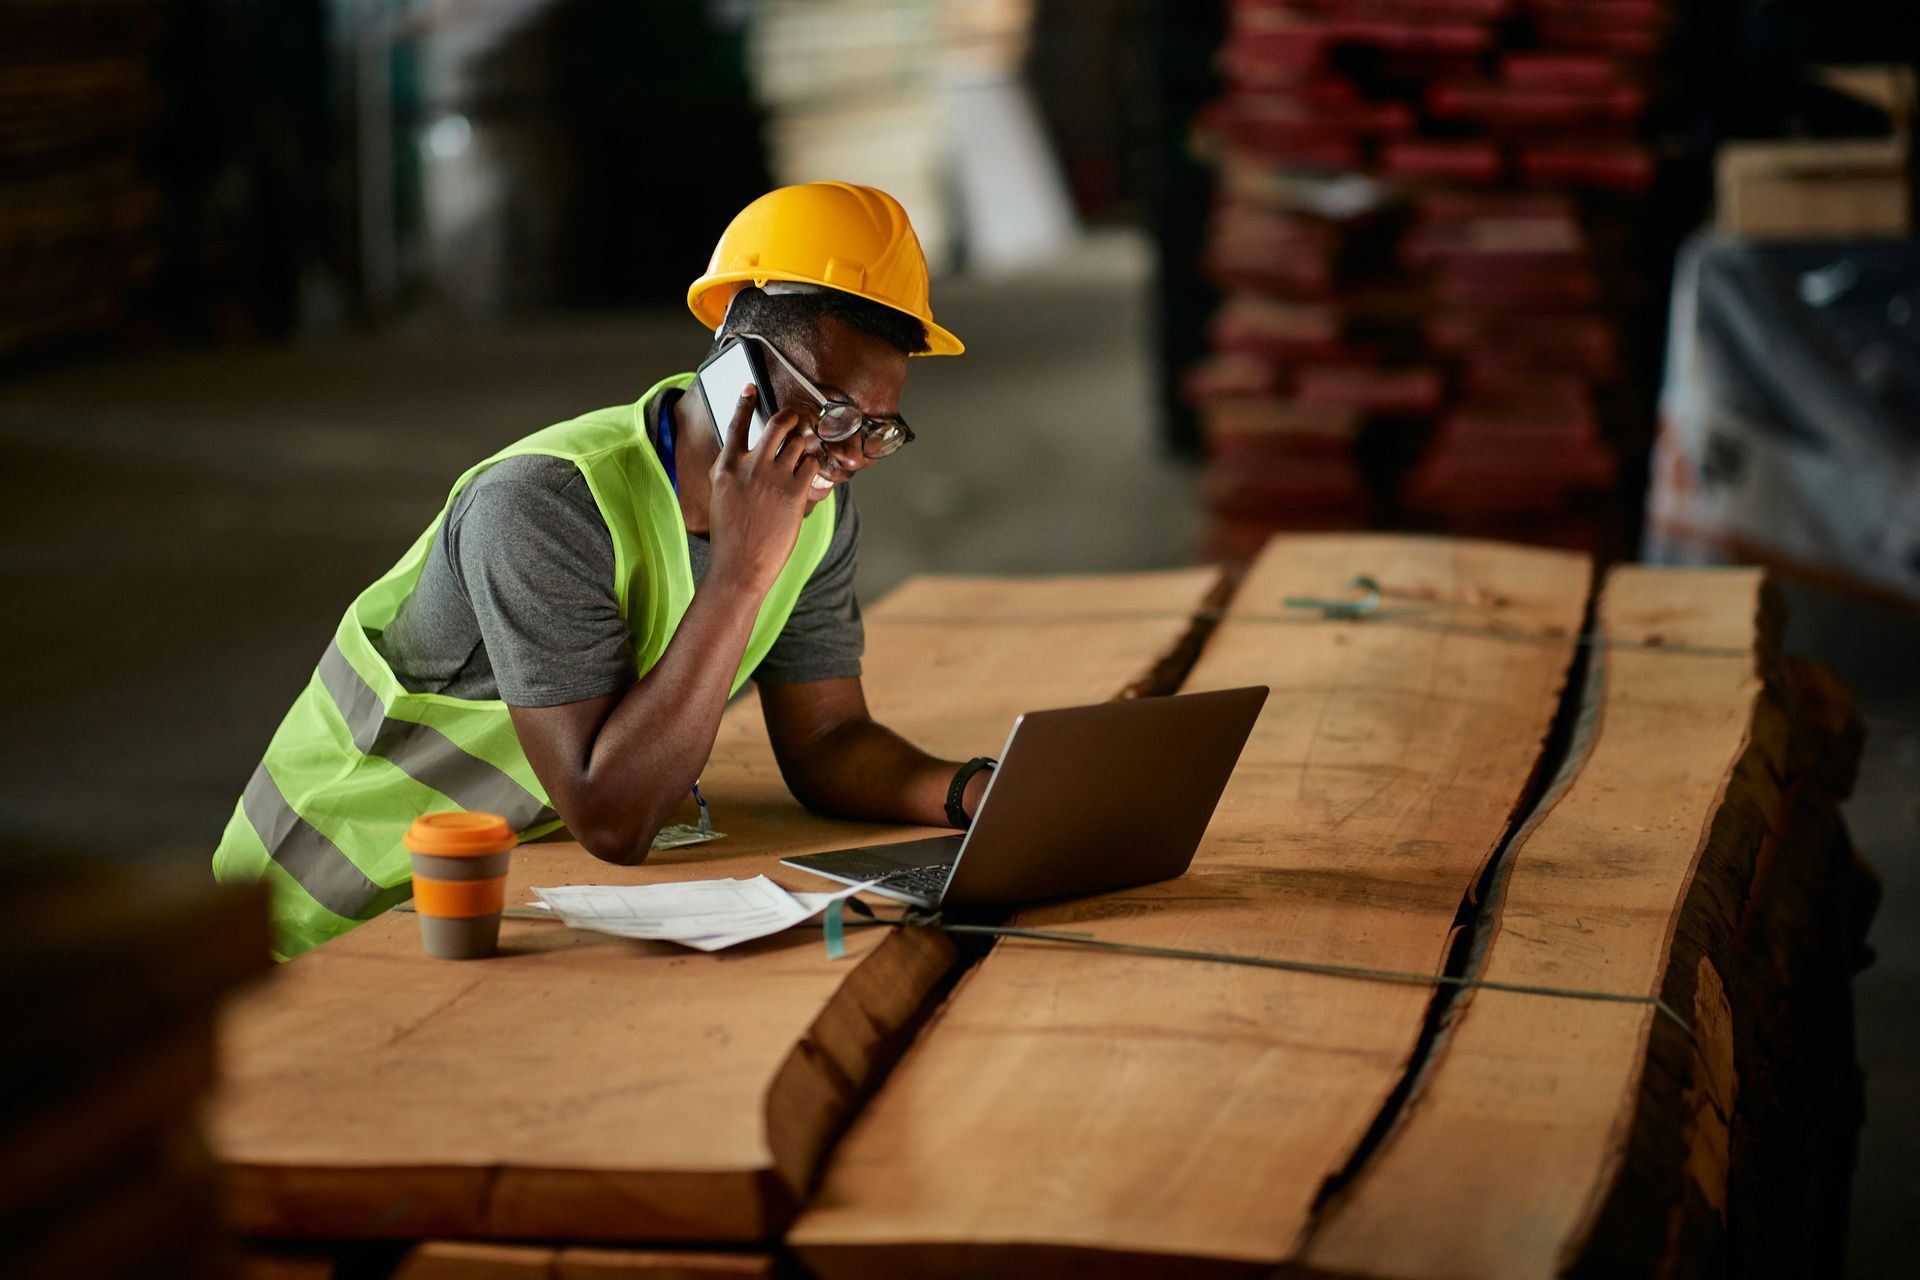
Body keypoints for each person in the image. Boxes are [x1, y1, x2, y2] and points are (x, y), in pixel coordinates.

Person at [213, 182, 997, 959]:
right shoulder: (542, 507)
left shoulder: (814, 510)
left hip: (500, 894)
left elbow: (829, 738)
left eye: (878, 429)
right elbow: (615, 819)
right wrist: (739, 575)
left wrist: (979, 795)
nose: (851, 456)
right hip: (317, 916)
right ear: (738, 365)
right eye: (833, 413)